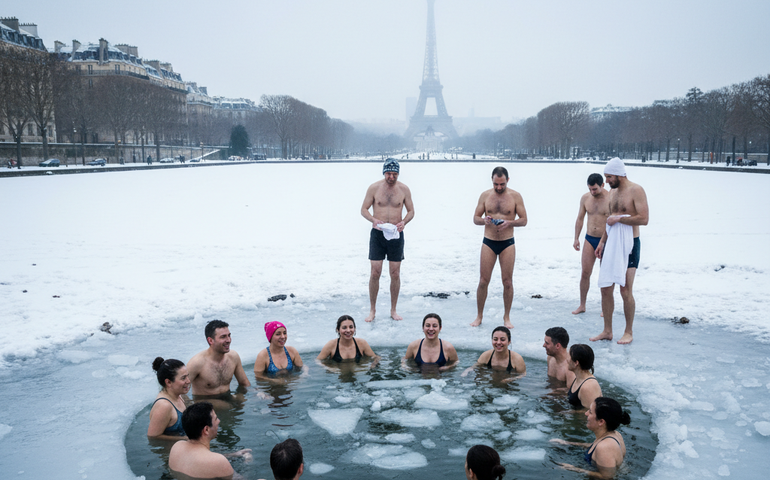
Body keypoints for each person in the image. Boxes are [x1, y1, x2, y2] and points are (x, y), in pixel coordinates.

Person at [592, 158, 649, 345]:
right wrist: (601, 242)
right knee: (606, 287)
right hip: (611, 242)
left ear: (618, 174)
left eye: (608, 177)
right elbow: (610, 220)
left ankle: (628, 331)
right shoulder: (613, 193)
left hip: (630, 243)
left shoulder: (636, 190)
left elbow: (644, 218)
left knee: (625, 289)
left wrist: (619, 220)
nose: (606, 181)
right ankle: (607, 330)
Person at [471, 166, 527, 328]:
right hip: (488, 241)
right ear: (492, 180)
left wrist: (510, 222)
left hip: (507, 242)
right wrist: (484, 221)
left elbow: (524, 220)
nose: (499, 187)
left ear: (507, 180)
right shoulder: (485, 195)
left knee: (507, 282)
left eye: (502, 184)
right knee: (483, 281)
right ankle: (479, 316)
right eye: (496, 184)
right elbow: (475, 218)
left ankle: (507, 317)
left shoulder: (515, 197)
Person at [360, 158, 415, 322]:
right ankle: (372, 310)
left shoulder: (404, 189)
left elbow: (411, 211)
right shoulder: (374, 188)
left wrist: (404, 222)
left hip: (396, 234)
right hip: (378, 233)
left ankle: (393, 310)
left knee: (395, 273)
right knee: (375, 271)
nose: (392, 177)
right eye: (389, 173)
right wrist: (373, 220)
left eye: (395, 174)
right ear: (384, 172)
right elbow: (363, 209)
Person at [168, 402, 251, 479]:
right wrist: (247, 462)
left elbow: (199, 461)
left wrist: (232, 455)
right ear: (206, 430)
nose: (219, 421)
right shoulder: (218, 462)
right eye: (215, 419)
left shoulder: (177, 447)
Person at [551, 397, 630, 478]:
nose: (586, 413)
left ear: (601, 422)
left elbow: (607, 477)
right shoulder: (614, 434)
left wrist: (573, 468)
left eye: (590, 412)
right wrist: (568, 443)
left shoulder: (605, 447)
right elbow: (595, 447)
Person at [572, 173, 610, 315]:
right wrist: (576, 238)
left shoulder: (610, 199)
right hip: (590, 238)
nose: (592, 192)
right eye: (590, 189)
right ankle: (582, 305)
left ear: (602, 185)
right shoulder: (585, 198)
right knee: (585, 273)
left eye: (595, 189)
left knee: (605, 276)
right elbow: (580, 218)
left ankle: (605, 307)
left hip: (606, 240)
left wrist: (603, 242)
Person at [187, 320, 251, 396]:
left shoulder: (233, 357)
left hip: (228, 397)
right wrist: (190, 406)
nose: (228, 340)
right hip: (206, 403)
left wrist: (256, 393)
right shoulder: (197, 363)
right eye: (223, 337)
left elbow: (244, 383)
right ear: (210, 340)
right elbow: (179, 391)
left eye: (229, 335)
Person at [147, 357, 190, 440]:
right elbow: (153, 438)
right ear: (168, 382)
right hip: (170, 451)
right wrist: (186, 439)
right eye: (183, 378)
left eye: (188, 376)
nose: (188, 381)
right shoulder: (164, 406)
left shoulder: (179, 395)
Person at [566, 344, 602, 409]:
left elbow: (590, 412)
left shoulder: (588, 386)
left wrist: (566, 413)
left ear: (576, 363)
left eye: (569, 356)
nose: (567, 359)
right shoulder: (578, 379)